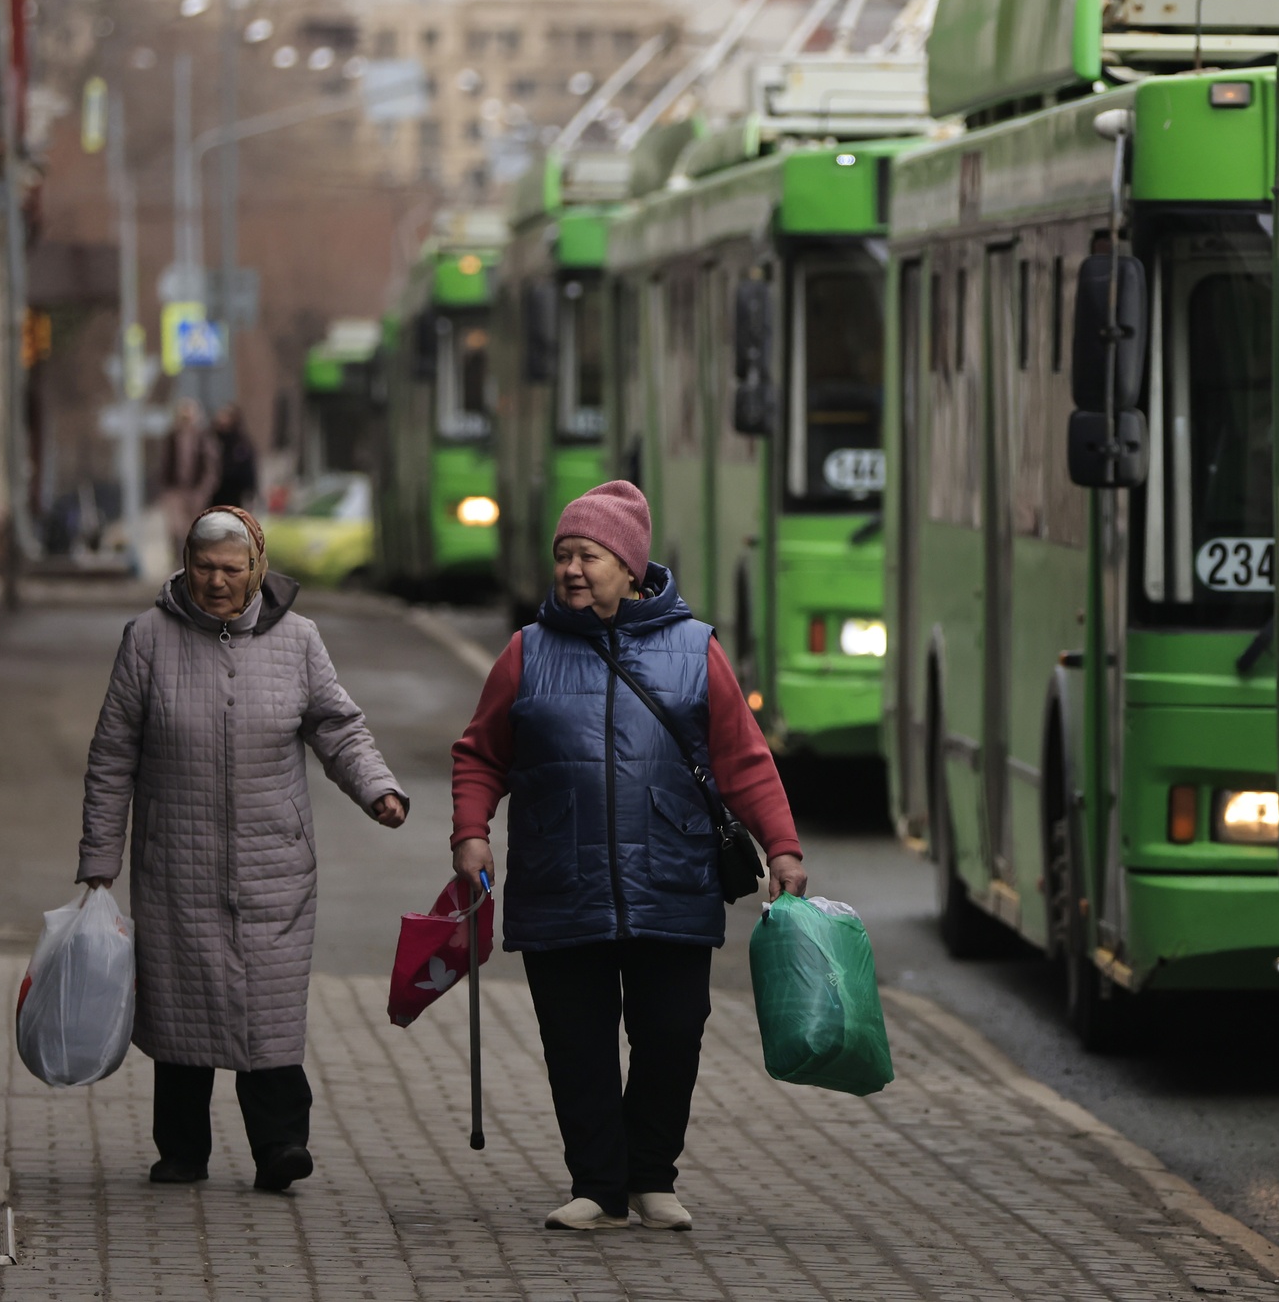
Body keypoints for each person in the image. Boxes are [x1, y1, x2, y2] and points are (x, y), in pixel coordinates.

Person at [451, 480, 806, 1235]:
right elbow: (481, 753)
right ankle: (598, 1186)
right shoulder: (527, 653)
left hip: (672, 880)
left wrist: (783, 846)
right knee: (576, 1044)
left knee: (672, 1034)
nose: (572, 569)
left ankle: (652, 1177)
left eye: (590, 555)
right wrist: (471, 831)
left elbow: (743, 760)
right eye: (564, 555)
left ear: (631, 569)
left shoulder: (694, 649)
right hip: (559, 882)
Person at [77, 505, 410, 1193]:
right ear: (186, 565)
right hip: (177, 860)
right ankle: (182, 1150)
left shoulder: (299, 639)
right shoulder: (147, 639)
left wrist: (378, 789)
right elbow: (113, 757)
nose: (217, 582)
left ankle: (281, 1145)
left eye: (232, 570)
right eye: (204, 568)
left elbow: (338, 728)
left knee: (271, 1007)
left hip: (274, 862)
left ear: (256, 568)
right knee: (179, 1009)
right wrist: (99, 861)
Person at [159, 400, 216, 537]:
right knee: (177, 528)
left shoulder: (203, 439)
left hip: (195, 489)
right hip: (176, 490)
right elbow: (165, 463)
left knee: (195, 528)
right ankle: (177, 555)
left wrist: (203, 490)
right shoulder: (172, 438)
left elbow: (210, 467)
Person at [210, 403, 260, 512]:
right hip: (213, 492)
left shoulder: (240, 443)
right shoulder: (211, 440)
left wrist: (250, 491)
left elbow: (248, 469)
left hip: (234, 492)